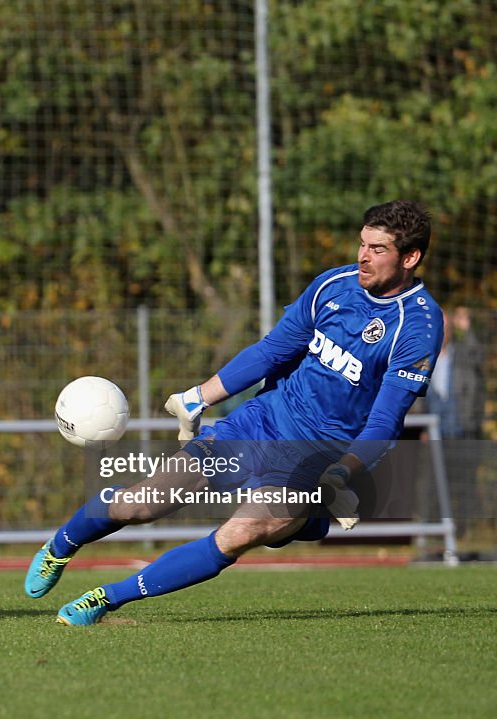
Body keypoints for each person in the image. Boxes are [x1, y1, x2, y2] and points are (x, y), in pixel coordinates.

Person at [25, 200, 443, 625]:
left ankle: (105, 599)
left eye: (377, 249)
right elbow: (272, 351)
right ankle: (59, 546)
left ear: (409, 258)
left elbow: (385, 422)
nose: (362, 257)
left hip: (316, 459)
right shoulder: (333, 285)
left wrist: (342, 472)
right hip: (260, 423)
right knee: (143, 503)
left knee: (239, 533)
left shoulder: (418, 327)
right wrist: (198, 397)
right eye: (361, 244)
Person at [423, 306, 486, 535]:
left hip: (462, 429)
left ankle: (462, 530)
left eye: (447, 327)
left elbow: (477, 356)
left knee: (464, 483)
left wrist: (467, 330)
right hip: (436, 432)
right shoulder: (423, 359)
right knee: (435, 485)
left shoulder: (462, 354)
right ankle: (433, 529)